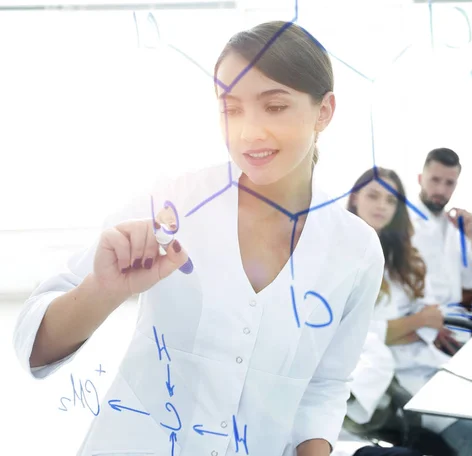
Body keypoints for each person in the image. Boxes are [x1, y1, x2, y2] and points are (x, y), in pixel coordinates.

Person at [12, 21, 385, 456]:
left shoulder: (355, 251)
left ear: (324, 111)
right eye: (232, 108)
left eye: (275, 106)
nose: (249, 132)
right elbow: (34, 348)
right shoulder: (173, 202)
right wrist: (104, 290)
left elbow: (325, 387)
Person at [345, 167, 472, 456]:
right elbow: (356, 335)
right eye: (374, 196)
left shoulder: (404, 256)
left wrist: (412, 325)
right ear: (355, 198)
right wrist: (416, 322)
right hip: (394, 381)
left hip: (430, 363)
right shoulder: (341, 256)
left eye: (390, 200)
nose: (381, 206)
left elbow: (431, 314)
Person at [409, 148, 472, 319]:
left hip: (456, 320)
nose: (441, 190)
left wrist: (471, 237)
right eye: (435, 180)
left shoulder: (455, 225)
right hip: (421, 323)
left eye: (449, 183)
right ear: (419, 179)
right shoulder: (404, 224)